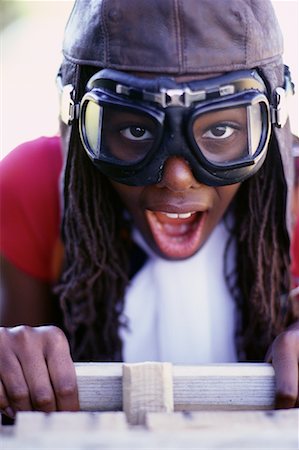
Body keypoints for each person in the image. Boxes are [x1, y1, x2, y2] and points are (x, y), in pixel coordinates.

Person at [0, 0, 298, 418]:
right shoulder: (33, 188)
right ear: (77, 118)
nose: (176, 177)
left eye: (220, 128)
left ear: (274, 119)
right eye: (137, 128)